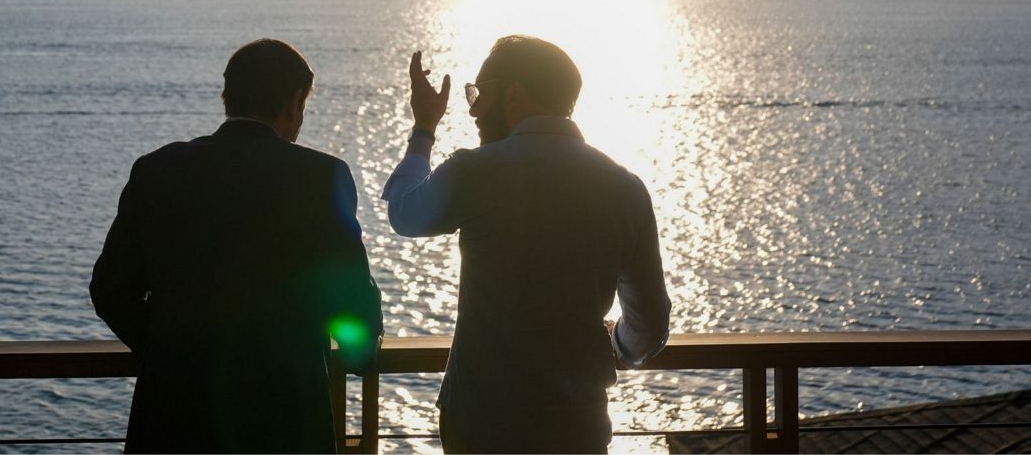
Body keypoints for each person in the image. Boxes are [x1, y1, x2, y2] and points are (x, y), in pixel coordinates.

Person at [91, 38, 383, 454]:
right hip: (285, 423)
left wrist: (171, 352)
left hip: (173, 422)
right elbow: (353, 308)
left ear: (227, 96)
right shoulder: (320, 178)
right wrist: (360, 352)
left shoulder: (157, 170)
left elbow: (109, 290)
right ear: (295, 101)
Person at [383, 36, 671, 453]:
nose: (472, 107)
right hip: (577, 424)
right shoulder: (625, 187)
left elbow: (405, 215)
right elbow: (650, 324)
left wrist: (424, 128)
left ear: (515, 94)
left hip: (482, 423)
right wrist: (619, 344)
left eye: (479, 93)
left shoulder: (476, 172)